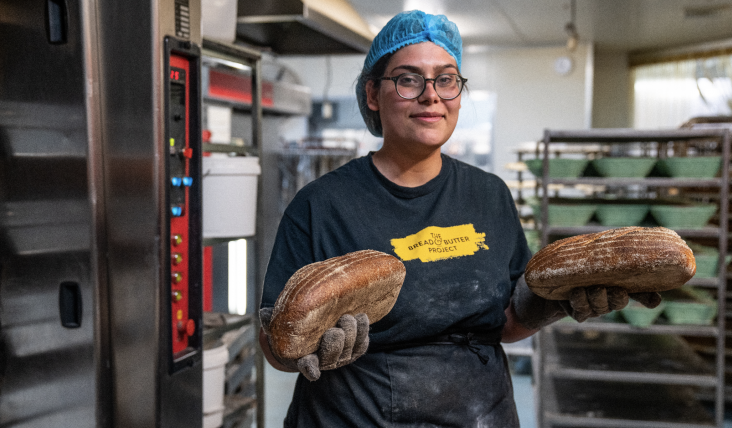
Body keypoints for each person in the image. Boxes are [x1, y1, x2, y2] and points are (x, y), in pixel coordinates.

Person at [258, 10, 661, 427]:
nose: (431, 95)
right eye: (409, 78)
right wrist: (307, 347)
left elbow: (505, 322)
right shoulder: (321, 205)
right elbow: (276, 343)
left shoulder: (488, 195)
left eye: (446, 79)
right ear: (373, 94)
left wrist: (560, 302)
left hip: (481, 415)